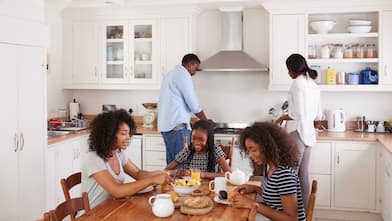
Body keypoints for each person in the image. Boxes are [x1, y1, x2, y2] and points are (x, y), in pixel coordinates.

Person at [81, 109, 171, 208]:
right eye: (123, 134)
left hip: (112, 208)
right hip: (94, 214)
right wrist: (152, 180)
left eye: (129, 133)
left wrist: (161, 173)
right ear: (108, 135)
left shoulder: (118, 153)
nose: (128, 137)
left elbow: (138, 173)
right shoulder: (94, 159)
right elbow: (117, 191)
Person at [275, 53, 322, 208]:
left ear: (293, 70)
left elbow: (298, 114)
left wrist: (282, 117)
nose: (288, 73)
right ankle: (305, 213)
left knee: (289, 176)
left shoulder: (297, 84)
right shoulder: (313, 84)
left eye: (288, 70)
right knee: (303, 175)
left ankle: (290, 213)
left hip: (297, 133)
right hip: (309, 135)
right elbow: (318, 114)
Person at [231, 122, 306, 221]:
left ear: (267, 147)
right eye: (248, 151)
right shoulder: (271, 167)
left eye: (253, 150)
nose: (250, 155)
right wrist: (255, 189)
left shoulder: (284, 174)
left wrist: (253, 204)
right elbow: (275, 197)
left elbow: (291, 218)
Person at [158, 53, 213, 168]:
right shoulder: (183, 74)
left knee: (172, 166)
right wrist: (206, 122)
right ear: (189, 65)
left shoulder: (170, 75)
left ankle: (172, 186)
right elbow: (193, 103)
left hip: (167, 127)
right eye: (195, 68)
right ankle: (180, 187)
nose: (195, 72)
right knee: (182, 166)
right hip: (177, 128)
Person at [166, 120, 230, 179]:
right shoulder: (188, 150)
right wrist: (175, 172)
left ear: (208, 139)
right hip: (190, 188)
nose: (196, 142)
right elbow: (166, 170)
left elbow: (229, 174)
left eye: (201, 139)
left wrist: (204, 174)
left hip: (210, 187)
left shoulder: (215, 149)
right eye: (193, 138)